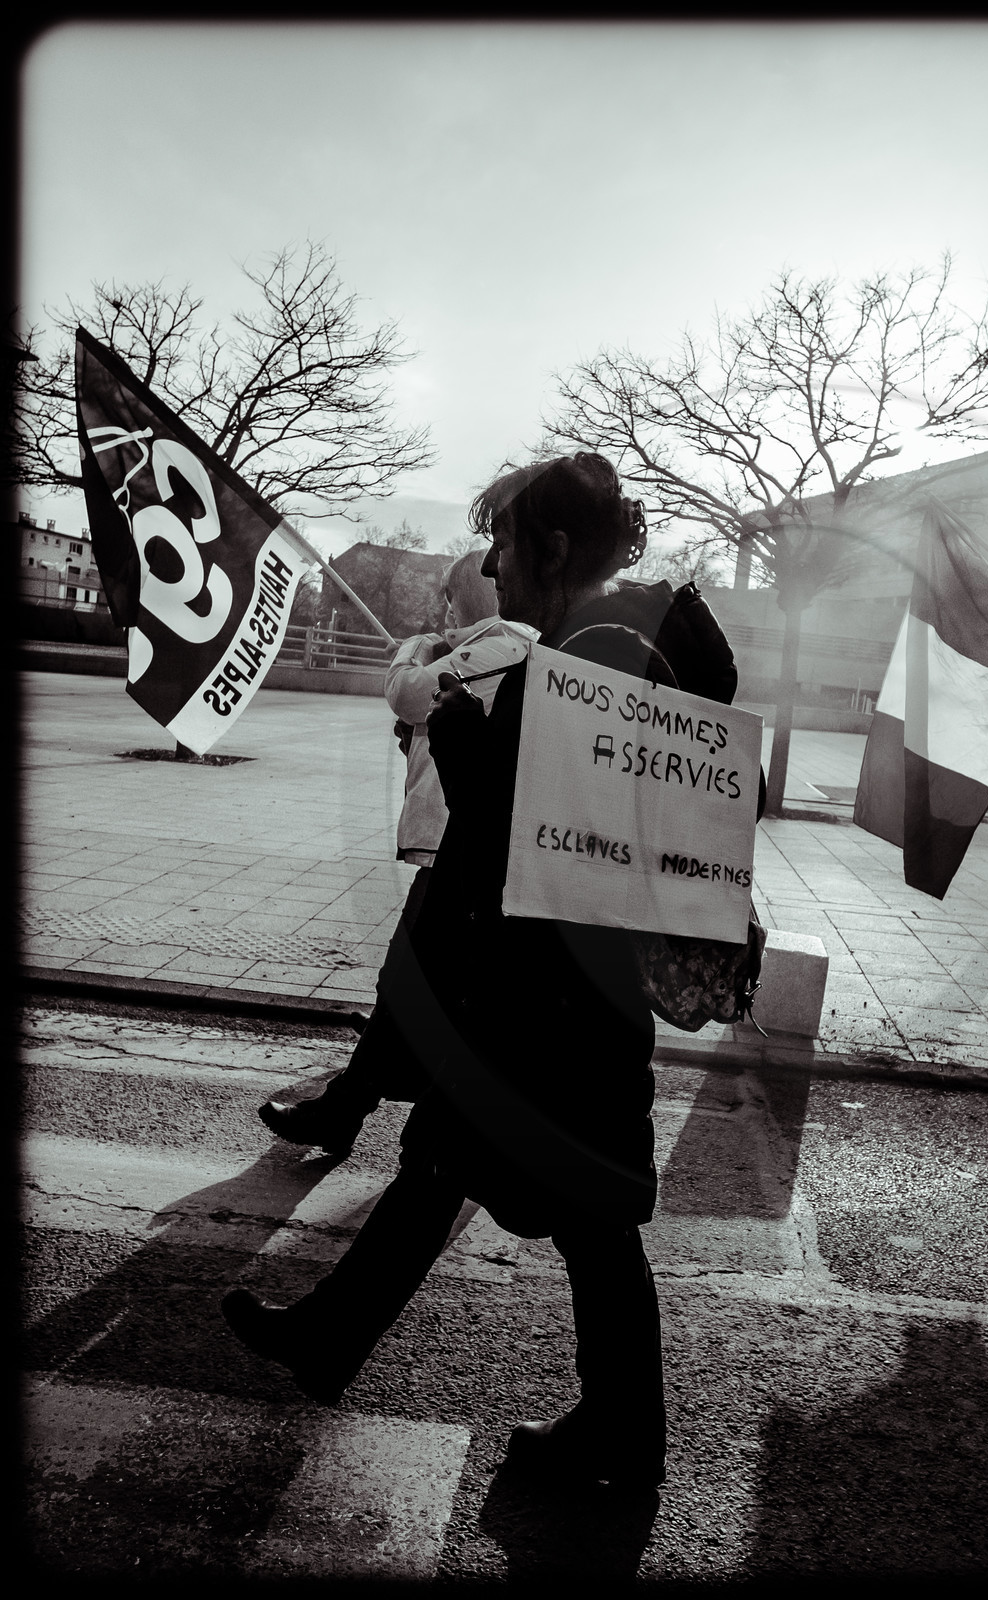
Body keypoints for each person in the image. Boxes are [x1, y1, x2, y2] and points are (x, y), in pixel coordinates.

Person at [224, 452, 686, 1489]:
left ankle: (619, 1431)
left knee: (574, 1214)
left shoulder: (588, 657)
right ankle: (337, 1339)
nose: (493, 563)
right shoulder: (616, 645)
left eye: (507, 543)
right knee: (467, 1168)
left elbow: (542, 835)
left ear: (554, 549)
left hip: (560, 1001)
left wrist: (464, 737)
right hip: (566, 998)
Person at [256, 553, 528, 1155]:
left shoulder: (501, 643)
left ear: (473, 596)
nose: (447, 612)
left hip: (461, 850)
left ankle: (354, 1109)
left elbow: (407, 693)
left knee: (409, 981)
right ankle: (367, 1104)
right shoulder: (499, 649)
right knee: (420, 986)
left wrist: (413, 647)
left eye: (452, 599)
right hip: (462, 846)